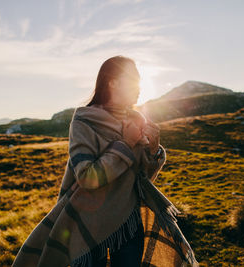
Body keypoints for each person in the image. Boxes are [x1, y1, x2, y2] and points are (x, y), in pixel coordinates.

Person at [11, 56, 199, 267]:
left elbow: (141, 179)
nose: (139, 86)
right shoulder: (85, 121)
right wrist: (126, 145)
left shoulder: (136, 120)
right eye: (133, 79)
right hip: (89, 224)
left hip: (128, 222)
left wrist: (154, 150)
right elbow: (87, 177)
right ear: (113, 82)